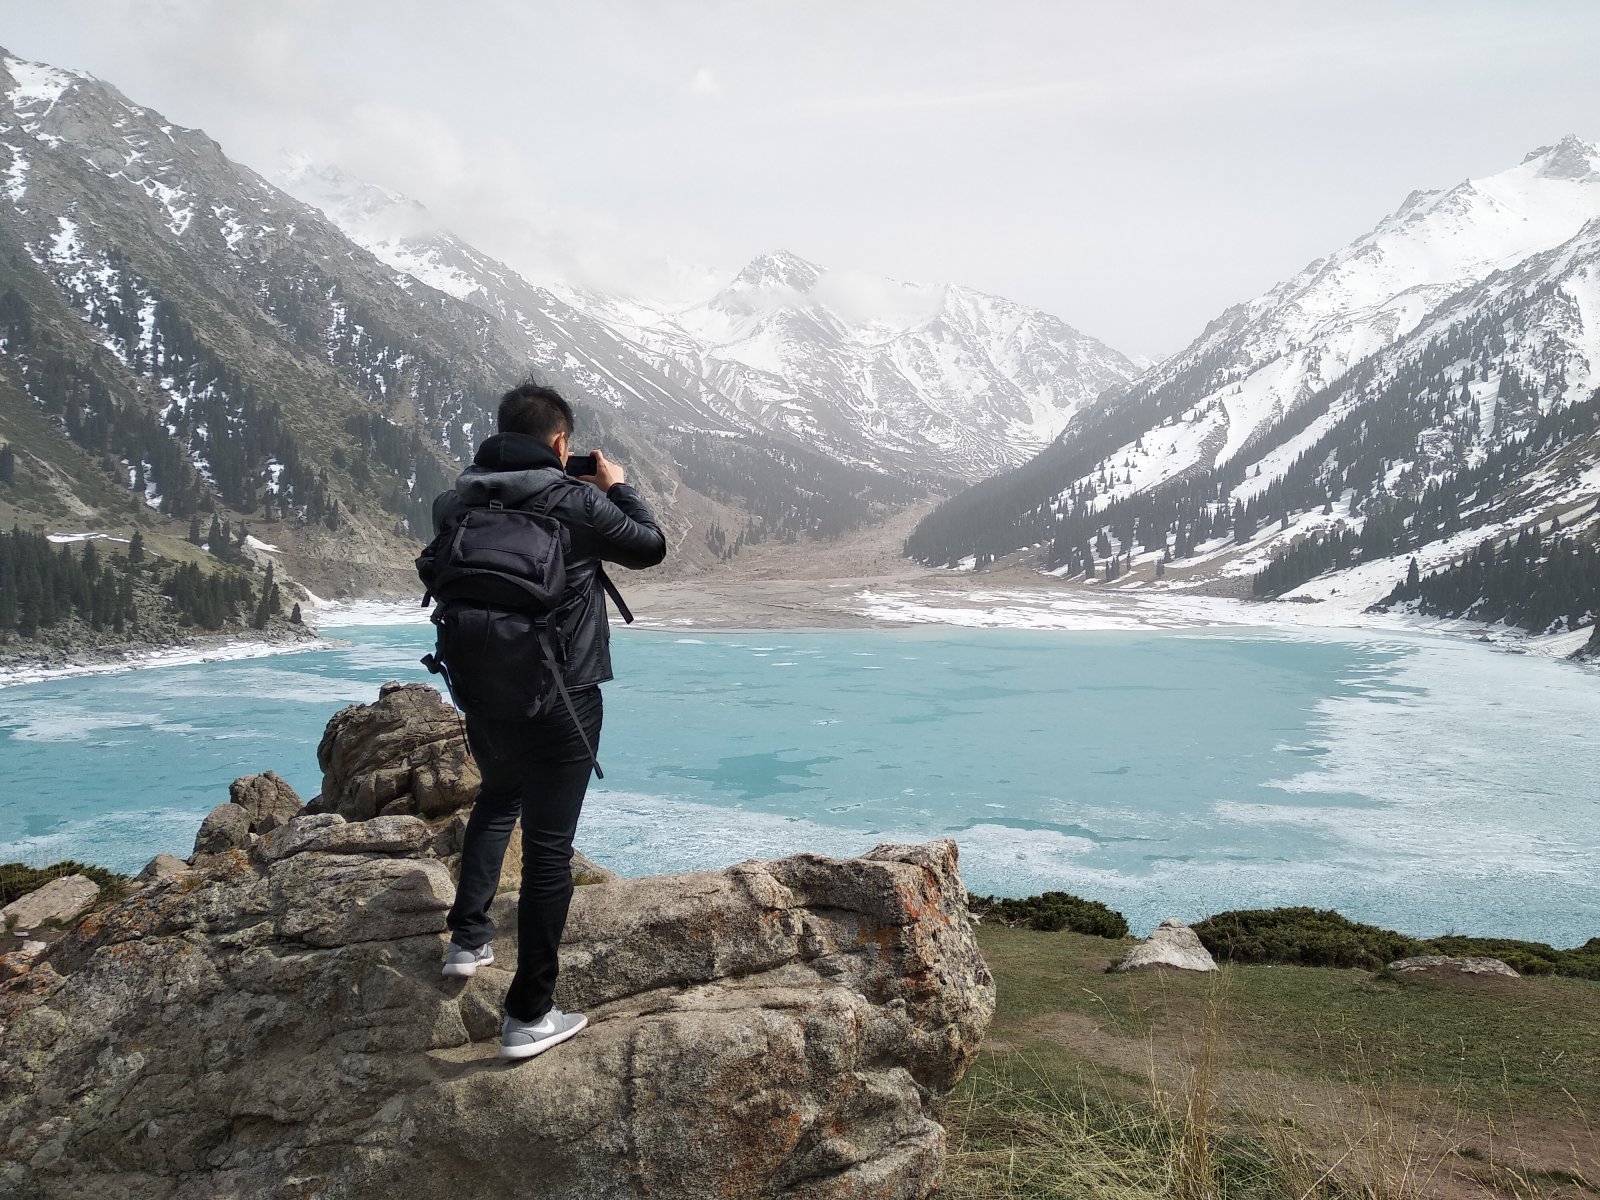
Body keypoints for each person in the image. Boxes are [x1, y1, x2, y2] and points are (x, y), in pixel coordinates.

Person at [430, 381, 666, 1060]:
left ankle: (468, 940)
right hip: (566, 696)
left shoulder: (457, 501)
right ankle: (528, 1015)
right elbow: (650, 546)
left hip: (480, 692)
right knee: (549, 850)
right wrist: (618, 487)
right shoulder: (576, 499)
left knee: (496, 800)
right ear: (561, 443)